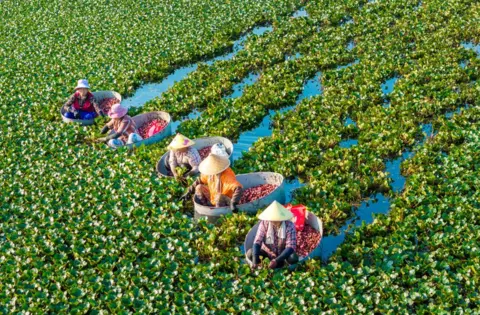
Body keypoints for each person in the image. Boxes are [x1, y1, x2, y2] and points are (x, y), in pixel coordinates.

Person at [247, 201, 298, 269]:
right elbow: (257, 241)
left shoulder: (289, 225)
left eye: (277, 219)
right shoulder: (264, 224)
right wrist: (255, 261)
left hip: (282, 255)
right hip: (267, 253)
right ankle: (261, 265)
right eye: (272, 219)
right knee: (250, 253)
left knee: (293, 257)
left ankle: (283, 264)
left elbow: (290, 247)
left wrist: (276, 260)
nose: (274, 221)